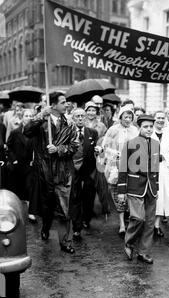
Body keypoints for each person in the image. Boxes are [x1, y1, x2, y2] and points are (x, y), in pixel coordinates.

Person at [24, 92, 78, 254]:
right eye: (63, 102)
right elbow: (26, 131)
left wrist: (59, 149)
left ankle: (65, 242)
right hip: (45, 172)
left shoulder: (69, 123)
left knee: (64, 208)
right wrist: (41, 115)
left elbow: (75, 146)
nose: (66, 104)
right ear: (53, 105)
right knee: (46, 207)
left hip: (63, 172)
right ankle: (46, 227)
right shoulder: (41, 122)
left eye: (66, 102)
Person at [118, 114, 160, 264]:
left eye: (151, 127)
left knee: (149, 222)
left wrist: (157, 186)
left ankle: (143, 252)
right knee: (138, 218)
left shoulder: (156, 143)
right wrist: (121, 191)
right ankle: (129, 242)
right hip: (135, 187)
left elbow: (156, 167)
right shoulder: (130, 144)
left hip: (151, 188)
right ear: (139, 128)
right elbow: (122, 168)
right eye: (145, 127)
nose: (149, 130)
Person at [102, 105, 139, 235]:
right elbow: (105, 146)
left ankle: (131, 219)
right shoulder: (113, 130)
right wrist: (115, 153)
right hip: (115, 165)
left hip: (131, 166)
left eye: (130, 117)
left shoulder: (135, 130)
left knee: (130, 192)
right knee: (118, 192)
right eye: (125, 117)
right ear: (120, 117)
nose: (128, 119)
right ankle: (122, 223)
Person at [69, 108, 99, 241]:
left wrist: (98, 151)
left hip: (89, 170)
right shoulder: (68, 133)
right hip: (73, 169)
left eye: (82, 116)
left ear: (86, 118)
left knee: (88, 196)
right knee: (75, 197)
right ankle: (76, 227)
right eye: (77, 116)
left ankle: (86, 219)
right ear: (73, 118)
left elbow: (95, 151)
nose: (80, 118)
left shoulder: (92, 132)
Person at [152, 111, 169, 237]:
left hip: (163, 169)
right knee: (151, 197)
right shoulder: (149, 132)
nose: (160, 120)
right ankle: (148, 224)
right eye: (158, 118)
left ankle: (156, 225)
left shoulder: (168, 135)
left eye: (162, 118)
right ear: (154, 119)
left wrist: (166, 158)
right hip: (149, 169)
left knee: (161, 197)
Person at [6, 109, 34, 203]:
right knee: (17, 192)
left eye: (31, 116)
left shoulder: (36, 133)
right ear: (22, 118)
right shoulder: (15, 132)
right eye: (26, 116)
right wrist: (13, 160)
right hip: (17, 166)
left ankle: (30, 213)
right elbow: (8, 147)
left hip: (30, 166)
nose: (29, 118)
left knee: (29, 188)